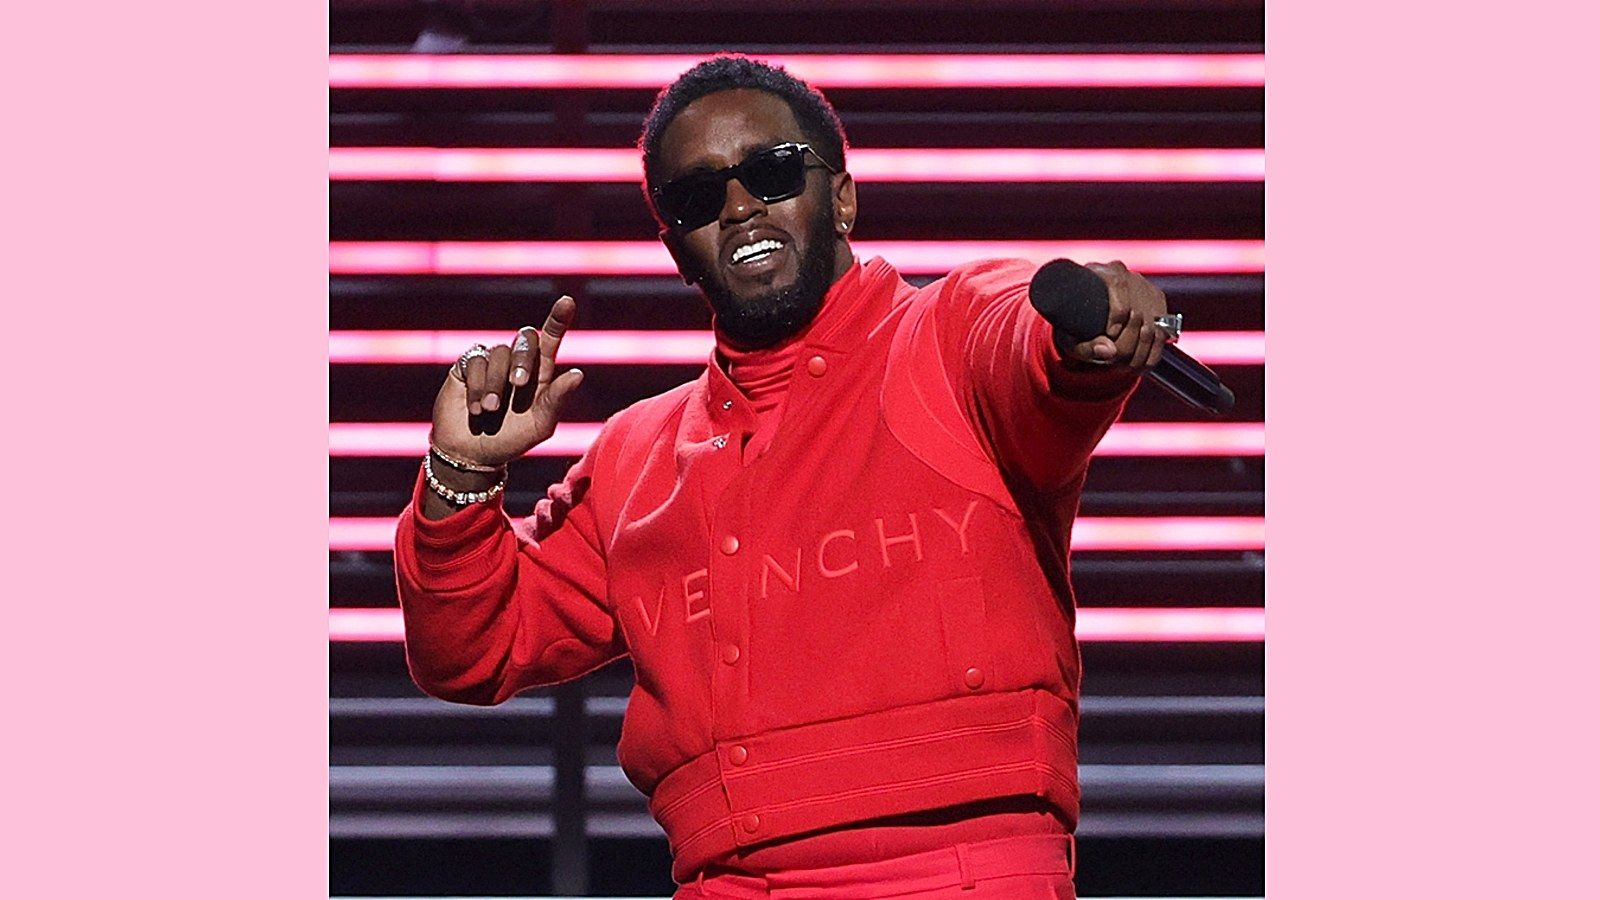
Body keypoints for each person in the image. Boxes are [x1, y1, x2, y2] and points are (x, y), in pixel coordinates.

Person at [396, 55, 1171, 899]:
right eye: (698, 199)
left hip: (963, 871)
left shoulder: (944, 339)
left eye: (770, 173)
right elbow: (469, 653)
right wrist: (462, 472)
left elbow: (1020, 336)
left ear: (841, 198)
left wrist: (1087, 330)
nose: (738, 208)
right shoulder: (635, 458)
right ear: (678, 252)